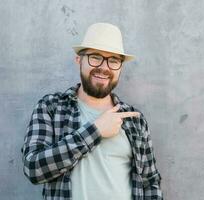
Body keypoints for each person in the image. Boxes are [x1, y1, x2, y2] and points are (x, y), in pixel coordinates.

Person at [21, 22, 163, 200]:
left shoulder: (135, 120)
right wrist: (94, 131)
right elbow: (33, 168)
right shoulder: (51, 107)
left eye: (113, 61)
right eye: (95, 57)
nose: (104, 67)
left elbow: (150, 182)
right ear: (79, 59)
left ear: (120, 68)